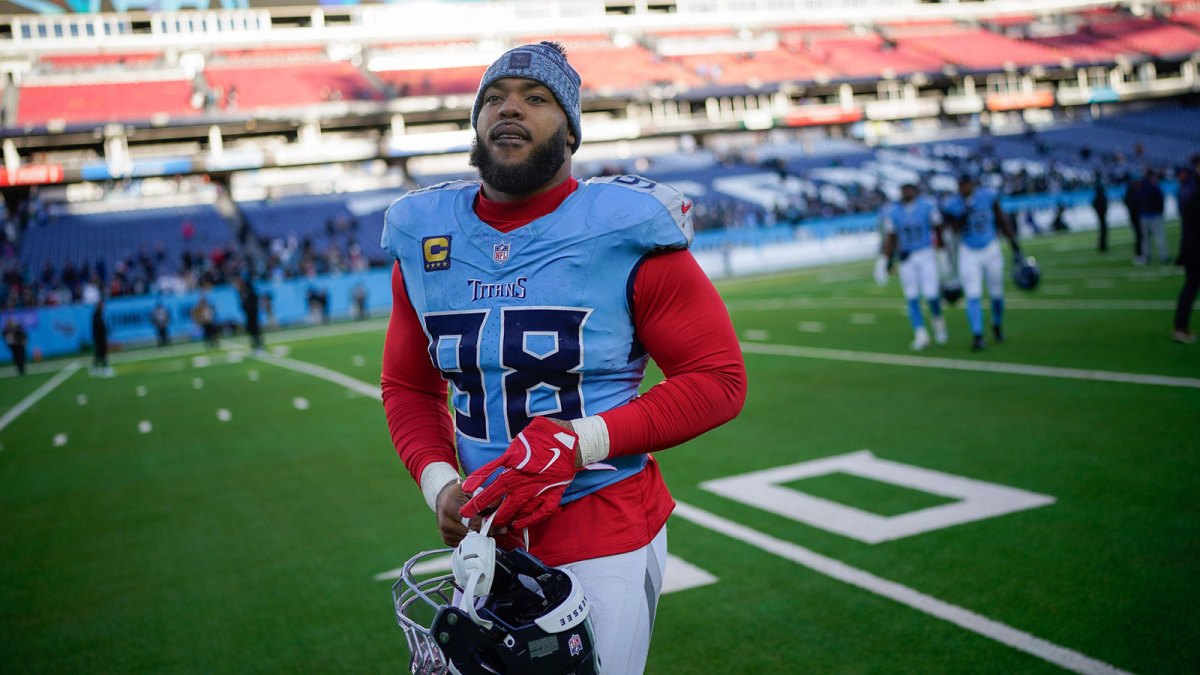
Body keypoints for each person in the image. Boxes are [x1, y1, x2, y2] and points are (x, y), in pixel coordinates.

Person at [379, 41, 746, 675]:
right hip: (483, 539)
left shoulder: (621, 229)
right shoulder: (425, 236)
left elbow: (718, 380)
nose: (509, 109)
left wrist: (580, 442)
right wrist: (439, 484)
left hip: (603, 521)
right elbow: (408, 387)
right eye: (493, 98)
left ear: (570, 131)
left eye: (536, 98)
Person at [941, 174, 1022, 351]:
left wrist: (1015, 246)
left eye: (967, 184)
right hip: (968, 250)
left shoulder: (987, 196)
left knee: (996, 292)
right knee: (973, 294)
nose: (964, 188)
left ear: (972, 184)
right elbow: (951, 229)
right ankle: (977, 334)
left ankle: (997, 324)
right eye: (961, 185)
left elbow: (1002, 220)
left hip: (990, 247)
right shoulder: (953, 204)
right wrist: (963, 213)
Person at [874, 183, 947, 350]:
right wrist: (884, 260)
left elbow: (938, 229)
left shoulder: (927, 206)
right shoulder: (893, 212)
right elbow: (891, 238)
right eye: (904, 189)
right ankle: (920, 333)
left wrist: (942, 253)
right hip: (906, 257)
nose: (906, 192)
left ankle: (938, 321)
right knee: (912, 296)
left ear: (915, 190)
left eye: (909, 189)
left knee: (931, 294)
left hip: (925, 253)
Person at [1175, 156, 1200, 343]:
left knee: (1190, 287)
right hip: (1195, 247)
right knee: (1191, 287)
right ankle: (1180, 328)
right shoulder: (1193, 190)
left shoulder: (1189, 188)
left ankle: (1180, 327)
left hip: (1191, 245)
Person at [1136, 170, 1168, 265]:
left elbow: (1136, 200)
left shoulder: (1141, 187)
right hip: (1154, 215)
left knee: (1145, 239)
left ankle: (1146, 257)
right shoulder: (1154, 187)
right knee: (1159, 236)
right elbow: (1160, 199)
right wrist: (1160, 211)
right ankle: (1163, 256)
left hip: (1144, 215)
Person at [233, 275, 264, 351]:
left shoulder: (248, 288)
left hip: (253, 311)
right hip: (248, 313)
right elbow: (242, 302)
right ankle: (254, 345)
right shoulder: (240, 291)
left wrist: (253, 307)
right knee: (251, 329)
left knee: (255, 328)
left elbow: (255, 297)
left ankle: (259, 344)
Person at [1124, 173, 1144, 264]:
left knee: (1142, 236)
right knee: (1140, 235)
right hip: (1136, 216)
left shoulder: (1133, 190)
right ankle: (1139, 253)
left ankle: (1142, 253)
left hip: (1138, 216)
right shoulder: (1132, 191)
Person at [91, 298, 110, 376]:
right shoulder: (96, 315)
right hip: (99, 337)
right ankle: (102, 368)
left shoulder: (99, 314)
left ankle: (101, 367)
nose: (103, 307)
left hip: (100, 337)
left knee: (101, 353)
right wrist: (104, 330)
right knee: (100, 353)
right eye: (102, 305)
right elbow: (98, 327)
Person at [1091, 175, 1109, 252]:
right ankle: (1102, 245)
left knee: (1103, 228)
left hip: (1100, 212)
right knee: (1103, 228)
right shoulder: (1101, 196)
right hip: (1102, 213)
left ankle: (1102, 245)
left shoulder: (1097, 196)